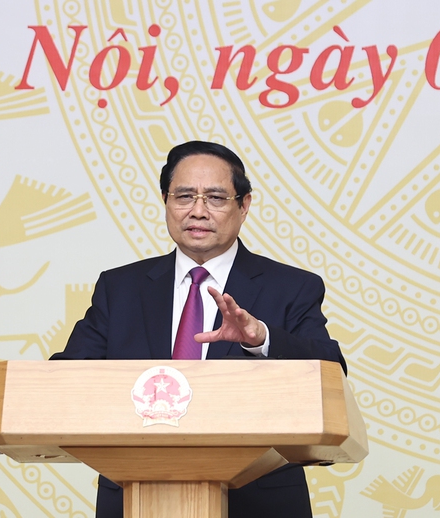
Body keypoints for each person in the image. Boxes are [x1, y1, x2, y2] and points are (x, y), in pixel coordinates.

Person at [50, 140, 346, 517]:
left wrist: (262, 339)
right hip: (134, 497)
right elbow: (66, 380)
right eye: (185, 196)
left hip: (259, 503)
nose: (198, 211)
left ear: (244, 205)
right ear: (165, 201)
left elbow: (331, 374)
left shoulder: (291, 287)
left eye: (216, 198)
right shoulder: (120, 288)